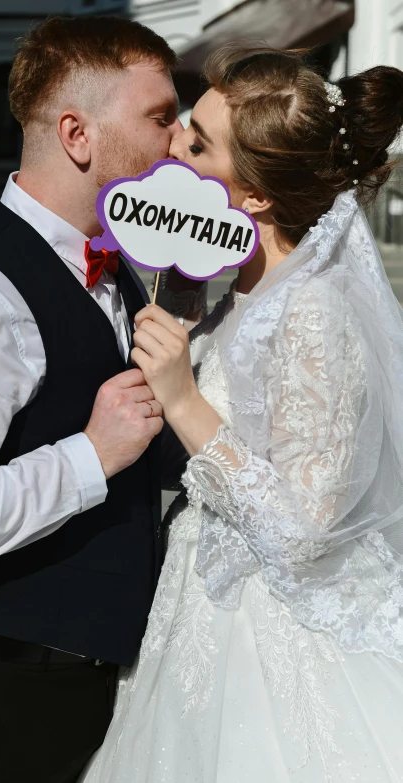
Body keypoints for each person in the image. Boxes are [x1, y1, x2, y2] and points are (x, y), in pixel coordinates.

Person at [79, 47, 403, 782]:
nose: (171, 148)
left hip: (269, 640)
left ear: (252, 196)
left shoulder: (315, 308)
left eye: (197, 142)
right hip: (200, 599)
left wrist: (183, 397)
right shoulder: (248, 284)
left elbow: (304, 526)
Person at [0, 15, 185, 783]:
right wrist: (90, 455)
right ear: (78, 133)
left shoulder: (119, 270)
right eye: (159, 117)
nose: (179, 140)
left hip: (68, 682)